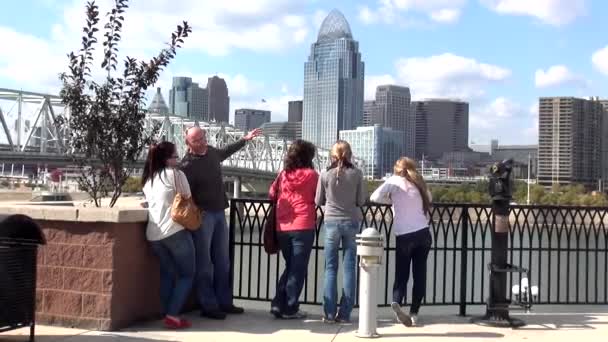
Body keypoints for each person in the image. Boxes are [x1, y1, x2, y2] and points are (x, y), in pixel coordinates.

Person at [180, 126, 262, 320]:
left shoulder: (213, 153)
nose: (202, 142)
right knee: (205, 264)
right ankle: (209, 306)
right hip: (203, 216)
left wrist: (245, 139)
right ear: (188, 143)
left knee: (223, 261)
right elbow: (182, 194)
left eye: (203, 137)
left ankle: (225, 302)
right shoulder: (186, 165)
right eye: (197, 140)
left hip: (219, 213)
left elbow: (228, 150)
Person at [370, 157, 432, 327]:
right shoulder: (419, 182)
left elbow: (374, 197)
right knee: (420, 275)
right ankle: (414, 313)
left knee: (401, 274)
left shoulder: (394, 181)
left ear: (397, 169)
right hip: (424, 233)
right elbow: (430, 199)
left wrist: (391, 200)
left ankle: (397, 302)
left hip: (405, 236)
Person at [142, 141, 196, 329]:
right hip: (175, 231)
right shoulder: (176, 174)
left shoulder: (149, 179)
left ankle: (166, 313)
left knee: (167, 273)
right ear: (167, 159)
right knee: (187, 275)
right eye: (176, 156)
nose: (178, 160)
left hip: (153, 235)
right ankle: (173, 315)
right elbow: (187, 196)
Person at [315, 140, 367, 323]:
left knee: (330, 268)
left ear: (332, 155)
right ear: (350, 154)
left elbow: (318, 200)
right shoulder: (357, 174)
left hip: (331, 223)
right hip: (351, 222)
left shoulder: (324, 174)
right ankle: (344, 314)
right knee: (349, 268)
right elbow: (361, 201)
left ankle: (329, 313)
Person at [269, 139, 319, 319]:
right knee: (298, 268)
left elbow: (271, 193)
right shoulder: (312, 175)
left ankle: (278, 303)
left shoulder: (283, 174)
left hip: (282, 226)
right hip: (303, 225)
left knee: (291, 265)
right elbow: (319, 197)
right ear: (308, 156)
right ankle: (290, 307)